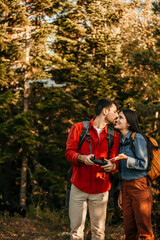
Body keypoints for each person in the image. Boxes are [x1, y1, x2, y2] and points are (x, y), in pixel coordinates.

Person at [65, 98, 119, 240]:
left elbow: (115, 161)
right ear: (105, 111)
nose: (116, 115)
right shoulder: (78, 128)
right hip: (78, 187)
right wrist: (82, 158)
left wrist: (112, 166)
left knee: (99, 232)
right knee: (76, 232)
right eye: (114, 111)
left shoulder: (114, 135)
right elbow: (69, 152)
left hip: (101, 190)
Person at [114, 109, 156, 240]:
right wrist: (121, 191)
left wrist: (126, 159)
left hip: (140, 186)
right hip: (126, 188)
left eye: (120, 117)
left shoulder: (137, 138)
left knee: (144, 229)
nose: (117, 119)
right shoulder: (121, 140)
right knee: (129, 230)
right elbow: (121, 171)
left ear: (128, 123)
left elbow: (143, 164)